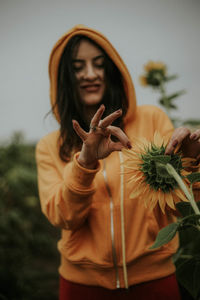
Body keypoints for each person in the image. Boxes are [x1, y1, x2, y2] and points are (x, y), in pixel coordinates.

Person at [36, 25, 200, 300]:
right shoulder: (50, 146)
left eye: (99, 65)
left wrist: (192, 161)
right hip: (81, 287)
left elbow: (180, 206)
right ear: (64, 77)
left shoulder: (152, 119)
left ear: (113, 71)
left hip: (154, 281)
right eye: (78, 67)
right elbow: (63, 217)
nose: (91, 74)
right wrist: (85, 163)